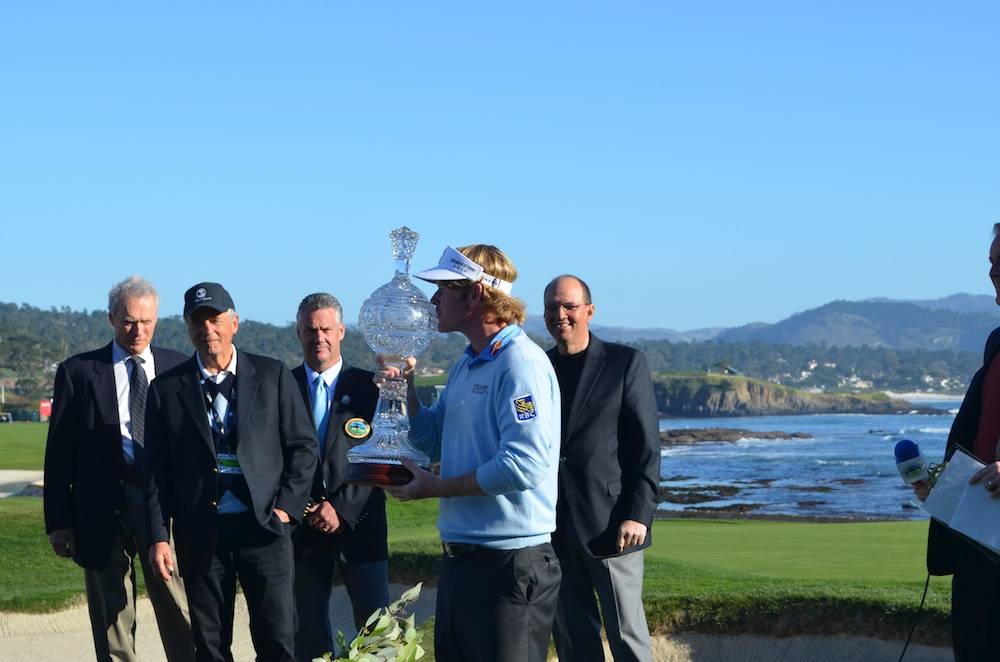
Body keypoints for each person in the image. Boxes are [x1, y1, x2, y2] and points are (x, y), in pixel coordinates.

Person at [383, 244, 562, 662]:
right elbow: (432, 439)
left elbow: (524, 464)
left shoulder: (521, 365)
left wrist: (438, 488)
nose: (433, 301)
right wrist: (405, 390)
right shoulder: (466, 363)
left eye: (443, 289)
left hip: (511, 566)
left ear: (475, 295)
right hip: (463, 562)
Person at [144, 282, 318, 662]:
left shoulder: (272, 376)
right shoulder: (166, 389)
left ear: (234, 322)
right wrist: (159, 536)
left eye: (215, 319)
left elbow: (303, 447)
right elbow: (155, 472)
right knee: (210, 645)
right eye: (198, 321)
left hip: (264, 530)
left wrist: (287, 508)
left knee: (276, 640)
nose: (208, 329)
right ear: (188, 327)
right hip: (202, 533)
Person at [43, 275, 194, 662]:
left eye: (145, 321)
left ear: (157, 319)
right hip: (101, 509)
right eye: (128, 321)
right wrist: (58, 520)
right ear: (111, 318)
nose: (137, 330)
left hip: (164, 508)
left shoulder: (179, 369)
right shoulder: (78, 372)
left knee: (179, 607)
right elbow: (59, 453)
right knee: (112, 619)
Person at [543, 275, 659, 662]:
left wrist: (638, 515)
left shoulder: (626, 363)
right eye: (552, 308)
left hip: (613, 527)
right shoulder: (538, 368)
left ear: (589, 311)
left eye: (569, 306)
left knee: (628, 638)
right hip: (552, 530)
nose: (560, 315)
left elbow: (645, 448)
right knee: (573, 641)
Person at [290, 292, 389, 661]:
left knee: (376, 634)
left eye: (327, 329)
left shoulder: (370, 388)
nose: (319, 337)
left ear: (342, 331)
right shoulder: (282, 387)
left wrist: (341, 508)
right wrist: (305, 508)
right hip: (304, 531)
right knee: (309, 633)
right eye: (310, 330)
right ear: (298, 333)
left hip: (361, 527)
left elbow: (380, 455)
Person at [920, 223, 1000, 661]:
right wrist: (940, 485)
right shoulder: (996, 343)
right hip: (976, 540)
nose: (993, 273)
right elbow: (978, 437)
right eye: (991, 263)